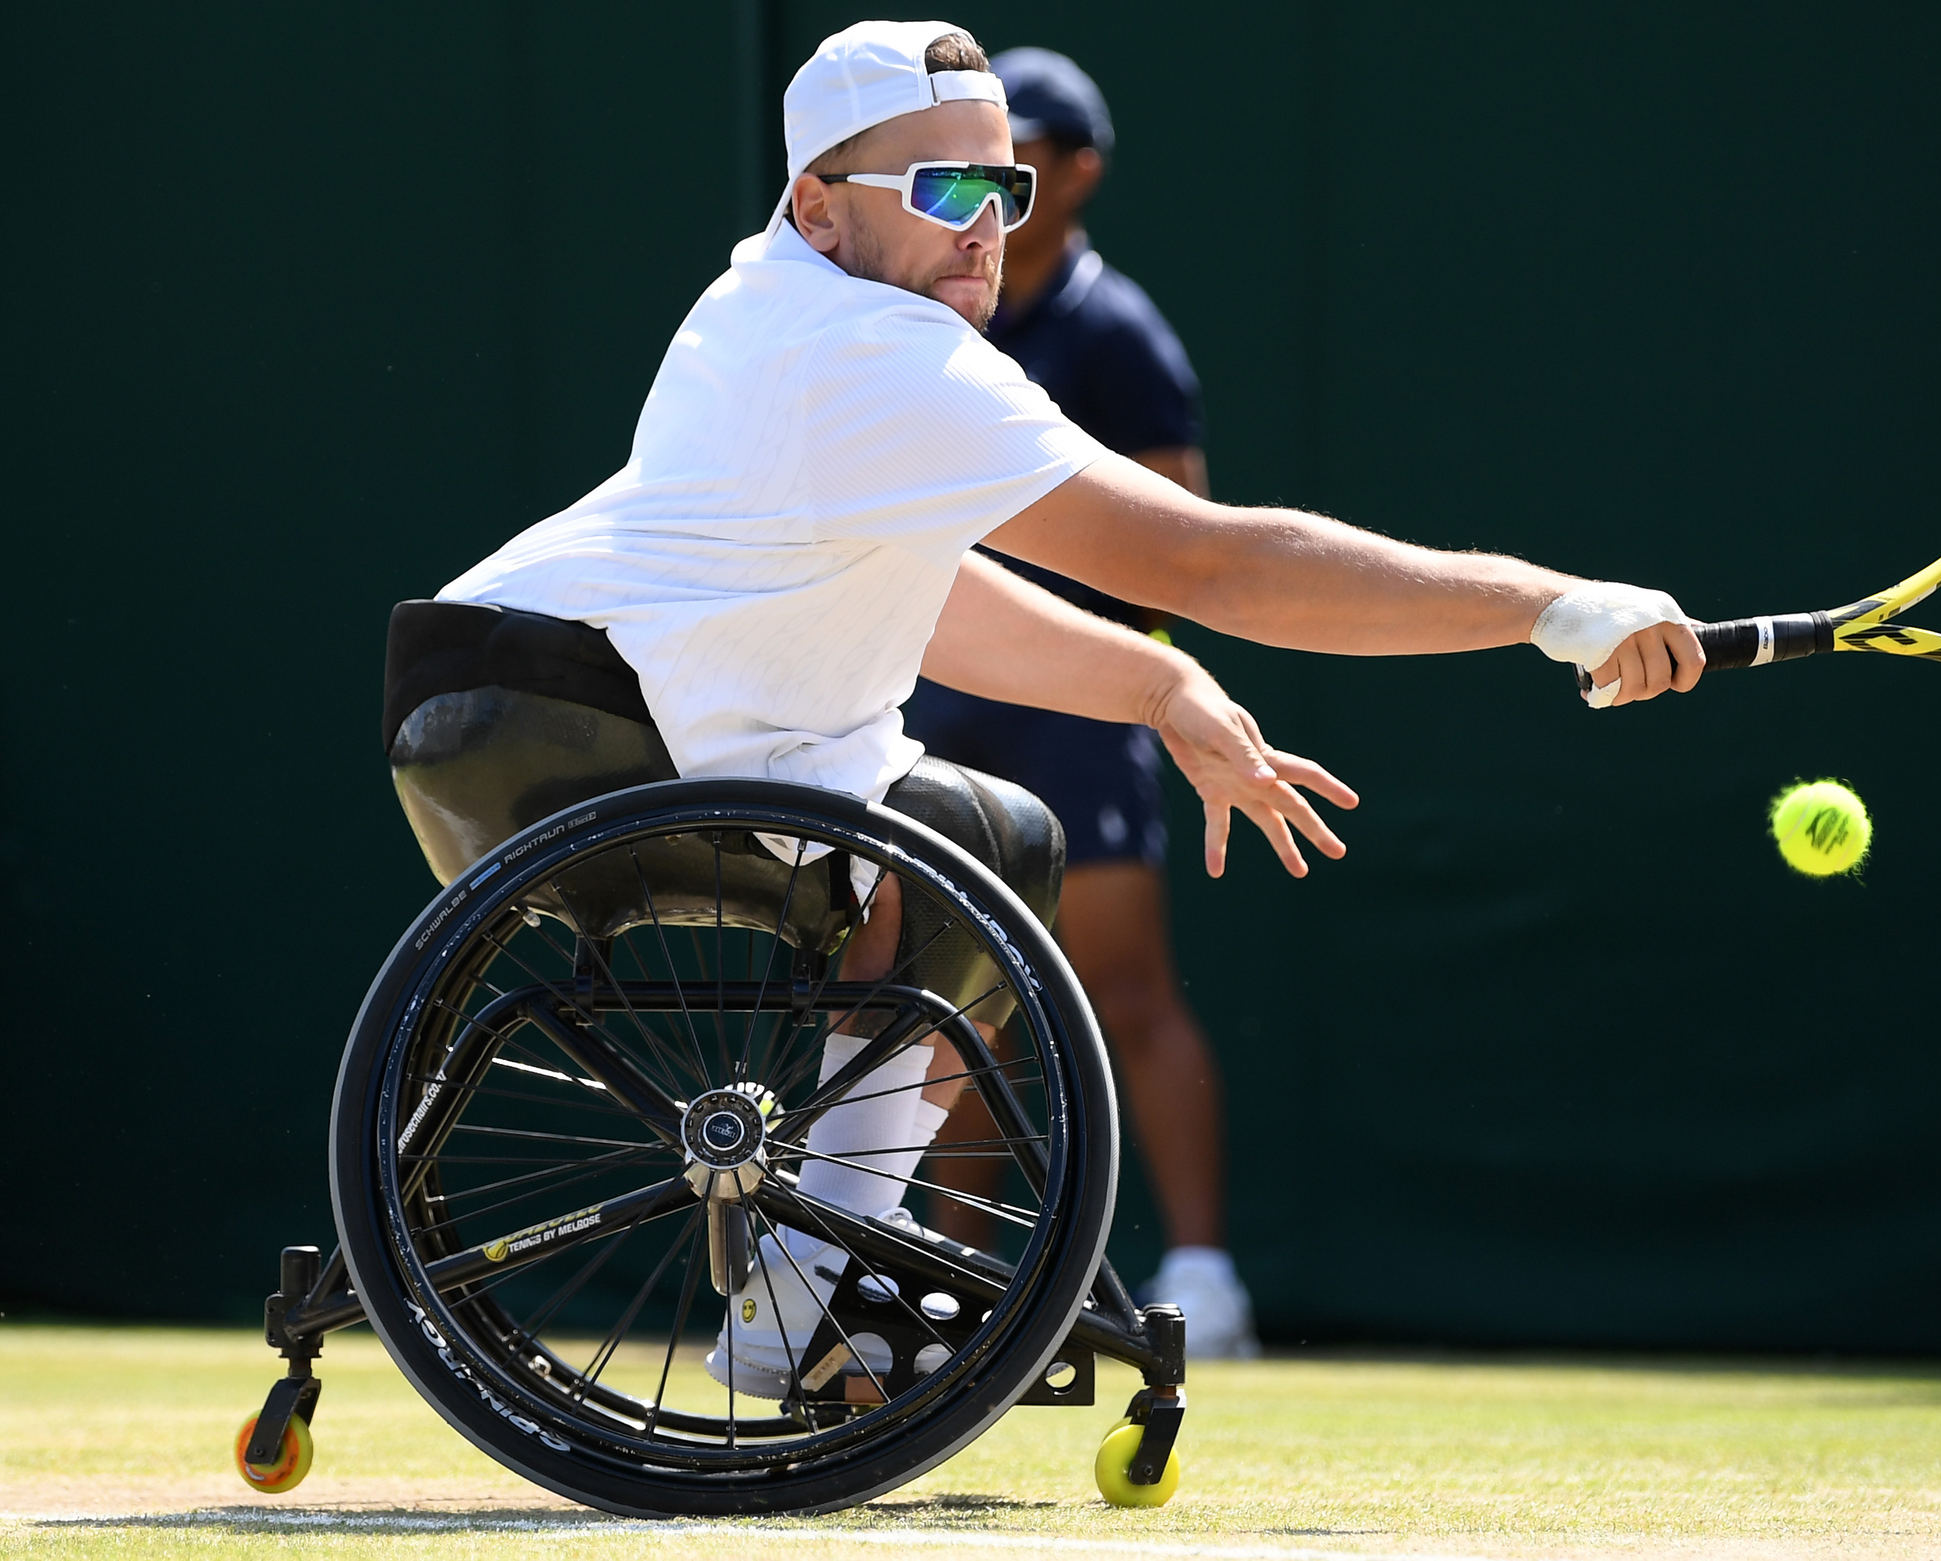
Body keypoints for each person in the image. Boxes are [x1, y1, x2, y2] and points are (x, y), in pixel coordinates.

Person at [435, 20, 1703, 1397]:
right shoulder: (869, 348)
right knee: (963, 848)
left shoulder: (796, 310)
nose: (985, 225)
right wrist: (1545, 603)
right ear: (817, 203)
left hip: (507, 706)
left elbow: (945, 598)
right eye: (945, 191)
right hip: (547, 709)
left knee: (984, 842)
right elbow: (1207, 560)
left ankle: (812, 1277)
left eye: (1004, 189)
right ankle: (812, 1282)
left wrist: (1156, 682)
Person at [897, 47, 1256, 1356]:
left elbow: (1178, 540)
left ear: (1079, 171)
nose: (991, 195)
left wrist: (1123, 689)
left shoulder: (1117, 336)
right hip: (935, 685)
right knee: (949, 988)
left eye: (1021, 165)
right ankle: (945, 1270)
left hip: (1076, 709)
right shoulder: (926, 310)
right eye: (968, 171)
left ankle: (1208, 1277)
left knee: (1122, 987)